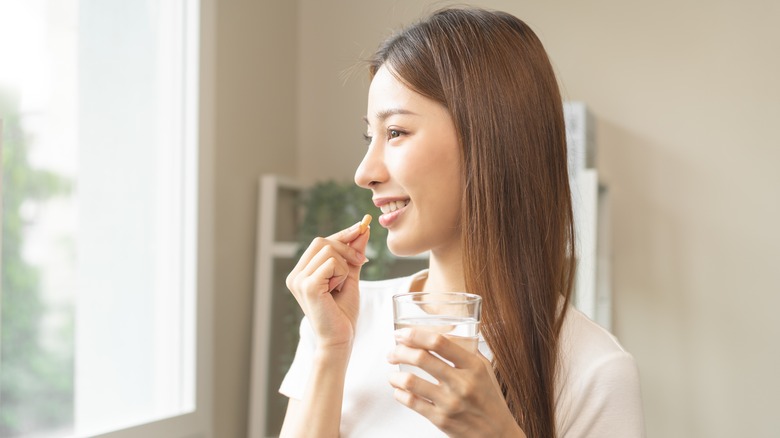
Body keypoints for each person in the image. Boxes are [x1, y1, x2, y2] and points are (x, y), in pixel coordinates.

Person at [279, 7, 644, 438]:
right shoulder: (341, 322)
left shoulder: (594, 369)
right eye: (369, 137)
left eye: (395, 132)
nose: (364, 172)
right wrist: (330, 350)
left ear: (489, 139)